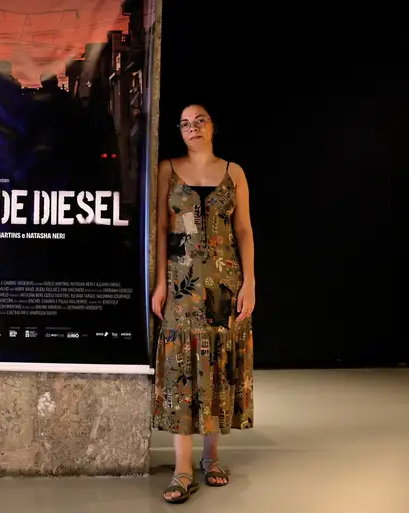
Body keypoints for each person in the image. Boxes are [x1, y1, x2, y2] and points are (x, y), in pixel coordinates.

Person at [151, 103, 255, 504]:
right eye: (184, 124)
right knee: (181, 367)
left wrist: (250, 283)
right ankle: (182, 468)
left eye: (199, 121)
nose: (192, 128)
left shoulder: (234, 172)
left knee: (216, 364)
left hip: (225, 283)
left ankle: (211, 457)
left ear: (212, 126)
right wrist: (161, 283)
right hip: (182, 282)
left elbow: (243, 231)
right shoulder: (168, 169)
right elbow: (162, 228)